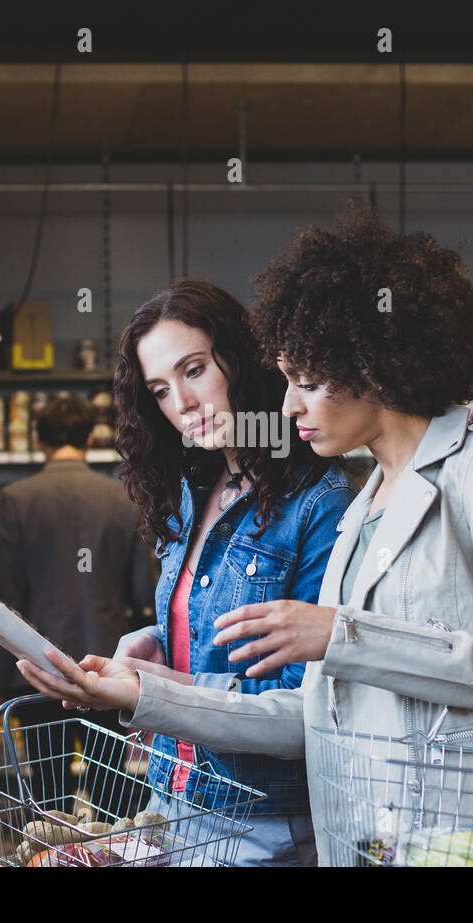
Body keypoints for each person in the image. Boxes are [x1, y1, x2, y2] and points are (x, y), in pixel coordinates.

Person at [20, 202, 473, 866]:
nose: (287, 406)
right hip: (369, 841)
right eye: (288, 380)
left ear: (374, 364)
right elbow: (306, 715)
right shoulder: (364, 503)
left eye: (308, 381)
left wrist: (339, 635)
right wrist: (149, 690)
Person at [66, 278, 352, 866]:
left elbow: (308, 704)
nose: (183, 405)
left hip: (266, 822)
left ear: (242, 361)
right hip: (177, 799)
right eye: (161, 390)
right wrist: (153, 646)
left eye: (194, 370)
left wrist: (154, 689)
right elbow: (205, 632)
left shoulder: (320, 501)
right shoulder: (193, 491)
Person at [0, 395, 157, 727]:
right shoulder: (123, 498)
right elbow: (145, 592)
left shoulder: (16, 500)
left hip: (36, 674)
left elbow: (3, 601)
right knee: (108, 778)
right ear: (88, 438)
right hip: (107, 671)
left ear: (38, 440)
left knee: (46, 778)